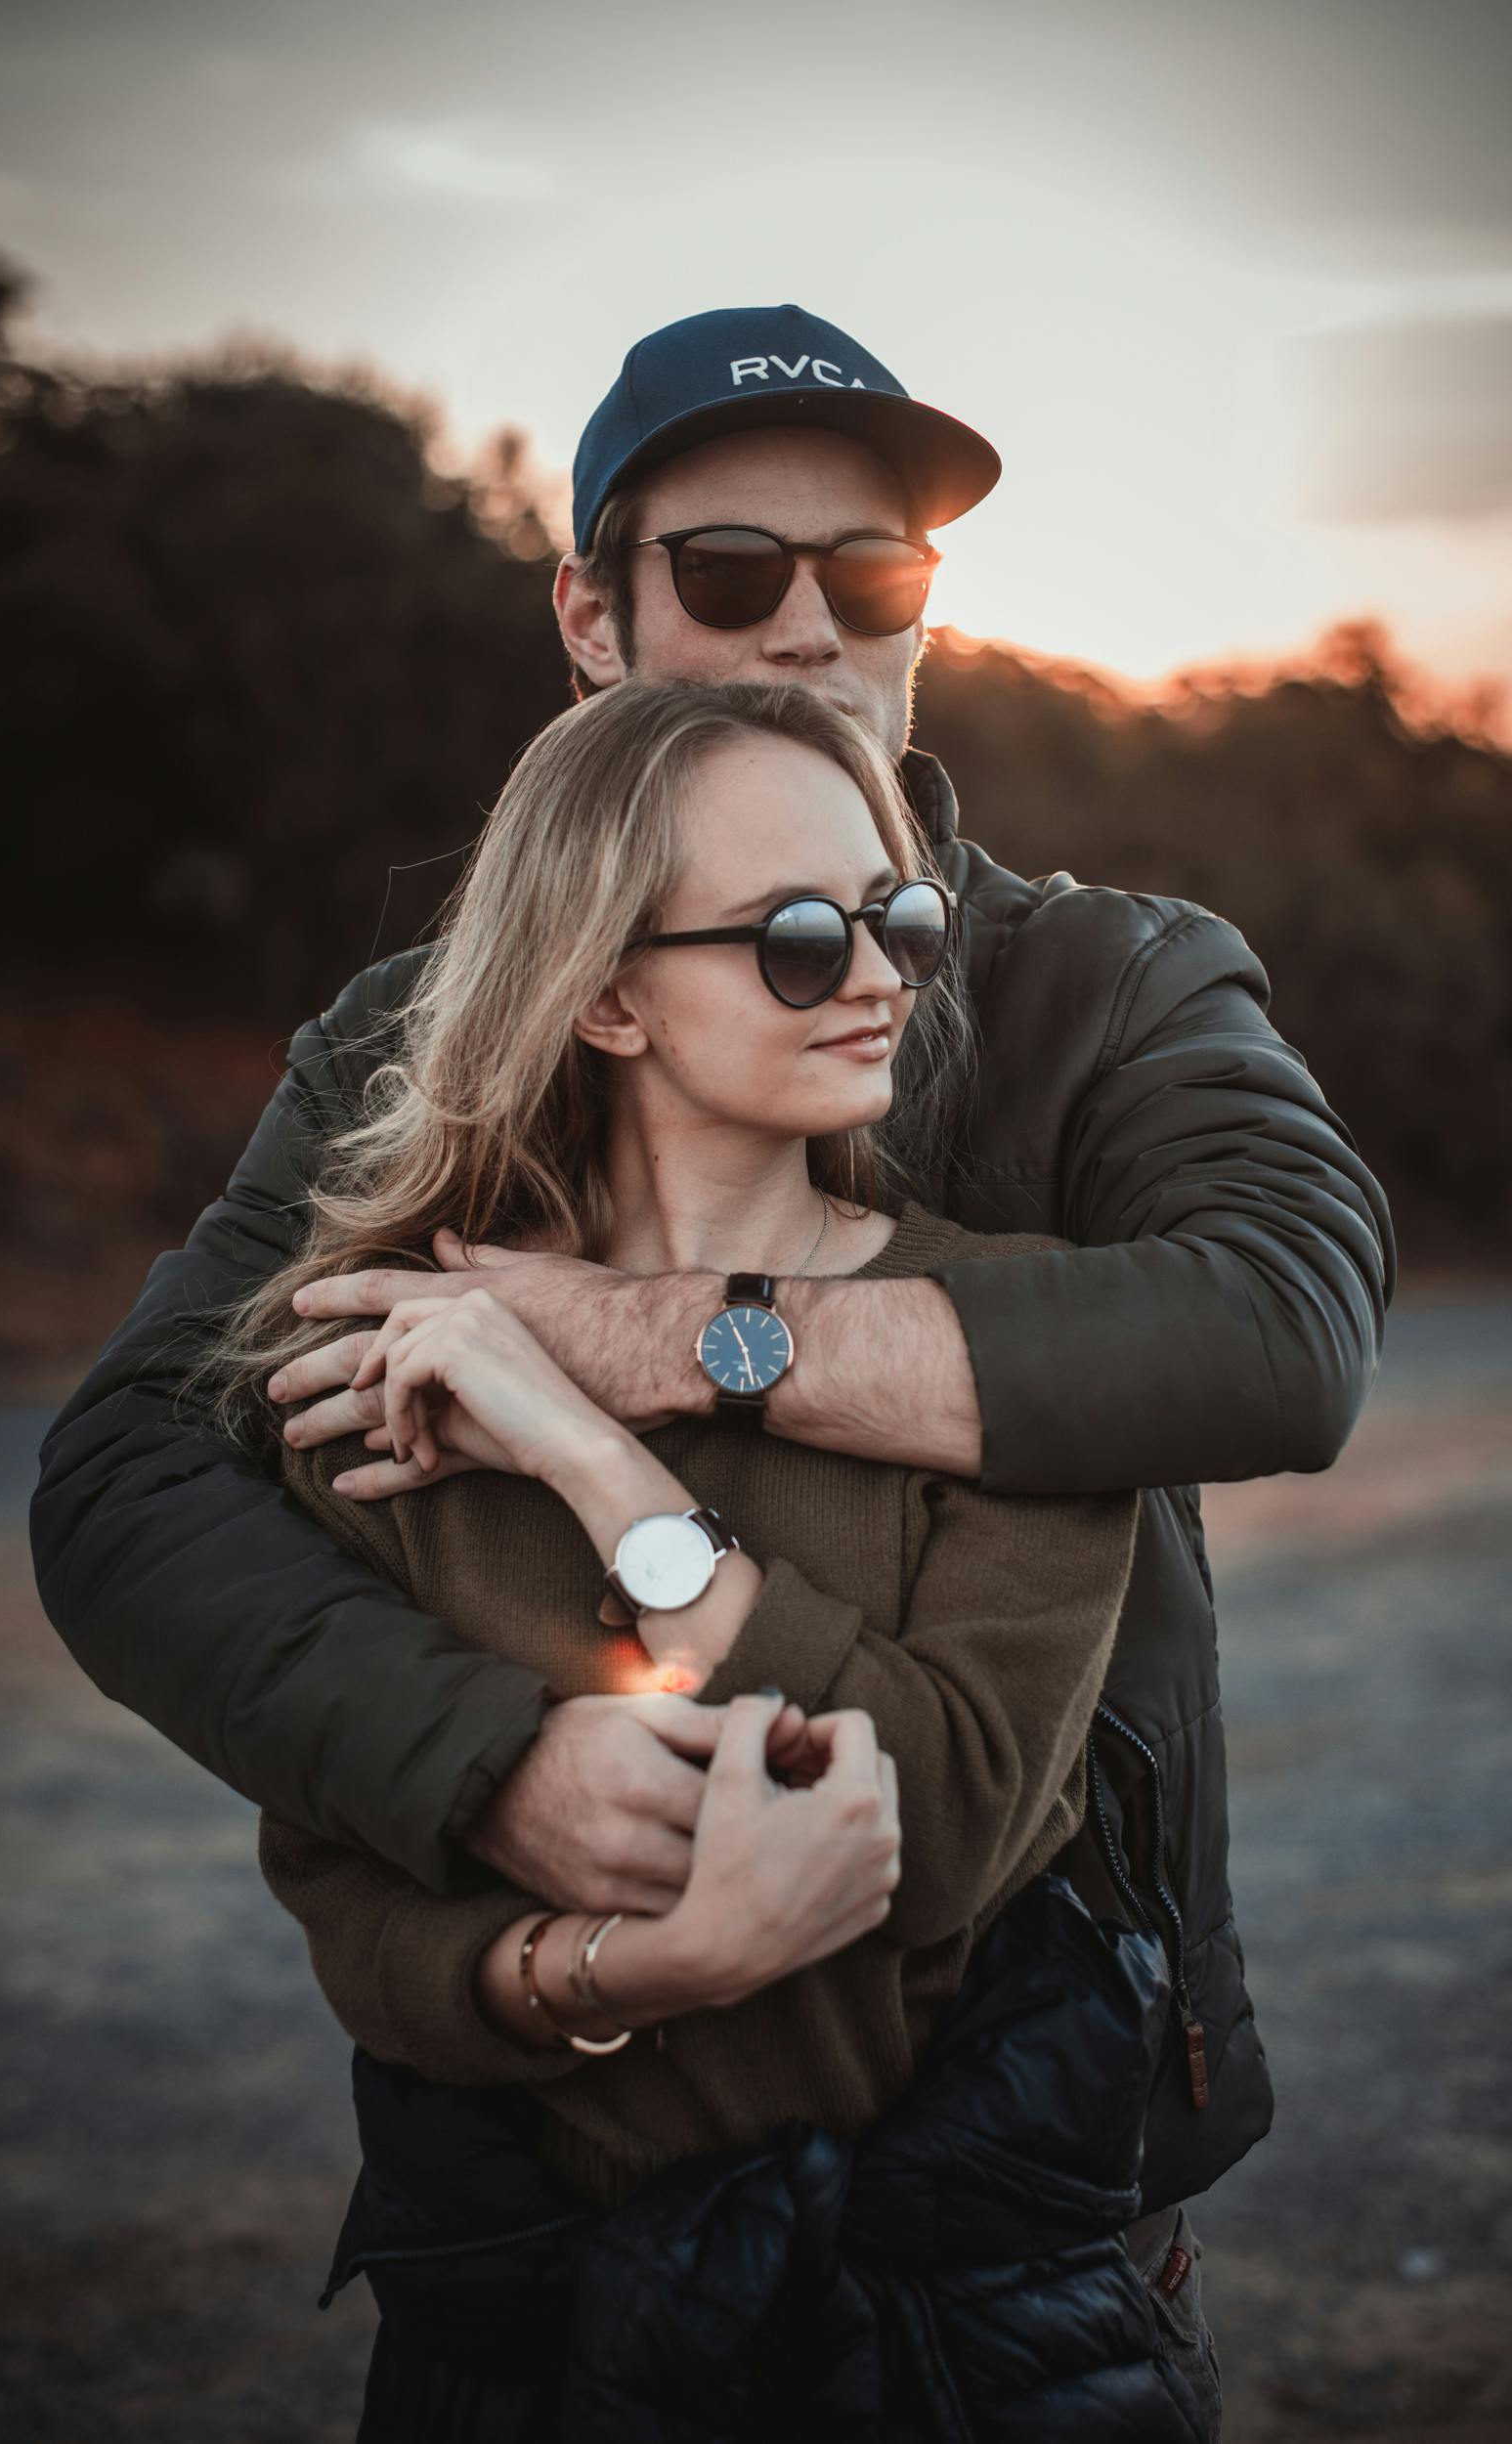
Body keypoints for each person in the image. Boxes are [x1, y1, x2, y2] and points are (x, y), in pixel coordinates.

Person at [31, 305, 1399, 2432]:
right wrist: (499, 1770)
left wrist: (650, 1345)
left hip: (1017, 2155)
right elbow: (133, 1478)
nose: (807, 630)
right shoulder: (428, 1032)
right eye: (731, 570)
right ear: (591, 608)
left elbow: (1284, 1328)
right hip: (537, 2190)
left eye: (873, 579)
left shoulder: (1098, 981)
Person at [195, 675, 1203, 2437]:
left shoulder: (1011, 1338)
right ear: (601, 993)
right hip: (507, 2342)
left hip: (955, 2347)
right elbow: (351, 1889)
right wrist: (619, 1978)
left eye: (903, 917)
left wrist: (595, 1455)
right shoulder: (399, 1361)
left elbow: (943, 1819)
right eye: (803, 935)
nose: (884, 972)